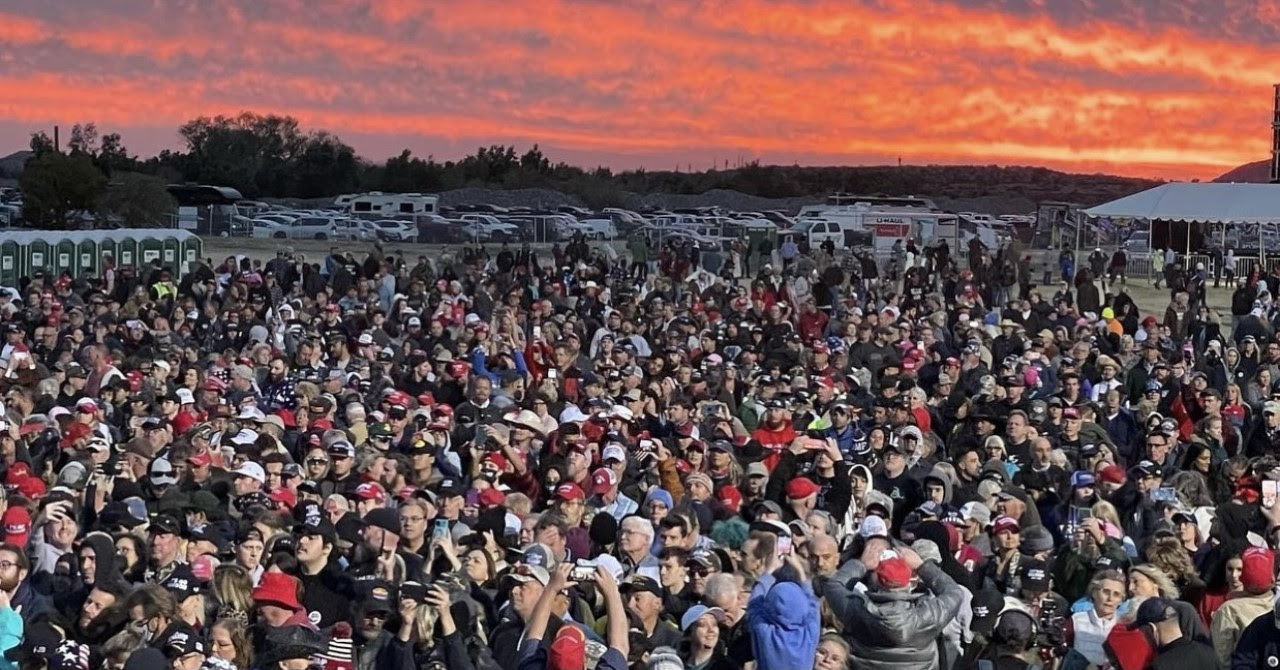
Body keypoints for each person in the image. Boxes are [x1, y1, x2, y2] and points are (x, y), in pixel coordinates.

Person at [1133, 597, 1219, 670]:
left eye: (1143, 632)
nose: (1143, 638)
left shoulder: (1159, 666)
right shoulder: (1210, 654)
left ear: (1152, 629)